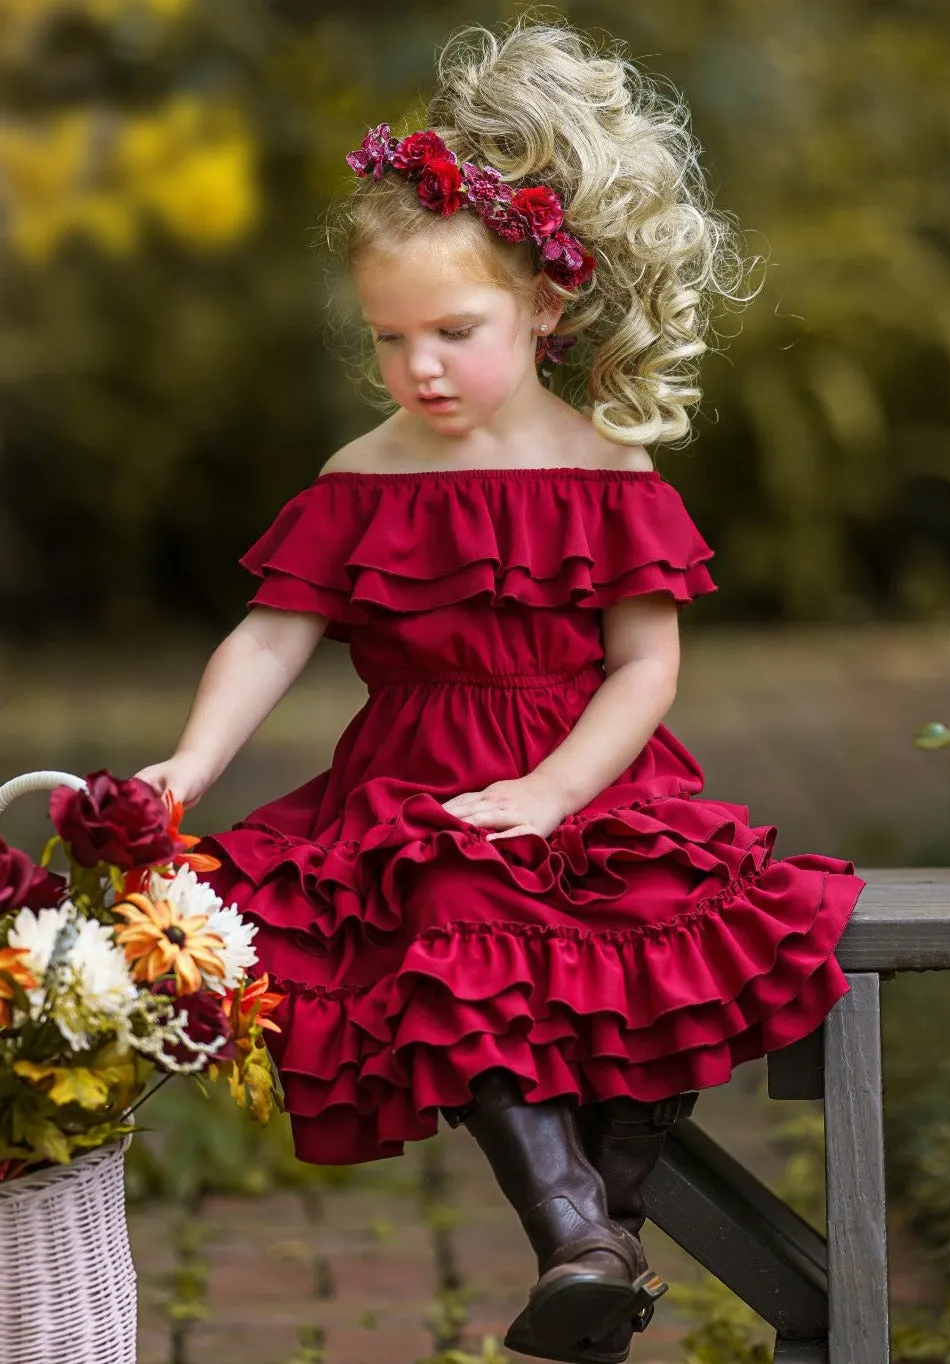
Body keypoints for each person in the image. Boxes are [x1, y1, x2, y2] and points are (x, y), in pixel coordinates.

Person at [136, 18, 865, 1364]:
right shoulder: (367, 475)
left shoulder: (607, 472)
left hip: (592, 773)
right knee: (449, 905)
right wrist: (190, 764)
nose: (419, 369)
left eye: (452, 333)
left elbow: (646, 663)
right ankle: (573, 1232)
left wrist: (553, 788)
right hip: (417, 783)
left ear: (544, 302)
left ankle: (608, 1226)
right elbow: (270, 635)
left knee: (671, 922)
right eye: (388, 339)